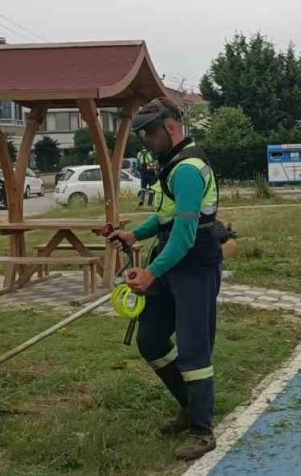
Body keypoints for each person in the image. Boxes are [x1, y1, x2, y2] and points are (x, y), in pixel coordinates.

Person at [104, 98, 223, 460]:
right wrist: (133, 235)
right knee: (152, 341)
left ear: (171, 127)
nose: (145, 140)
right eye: (141, 134)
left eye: (150, 132)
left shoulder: (187, 170)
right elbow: (166, 217)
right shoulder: (171, 165)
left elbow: (185, 235)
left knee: (193, 350)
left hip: (195, 267)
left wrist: (151, 273)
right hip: (170, 264)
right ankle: (189, 405)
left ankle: (203, 431)